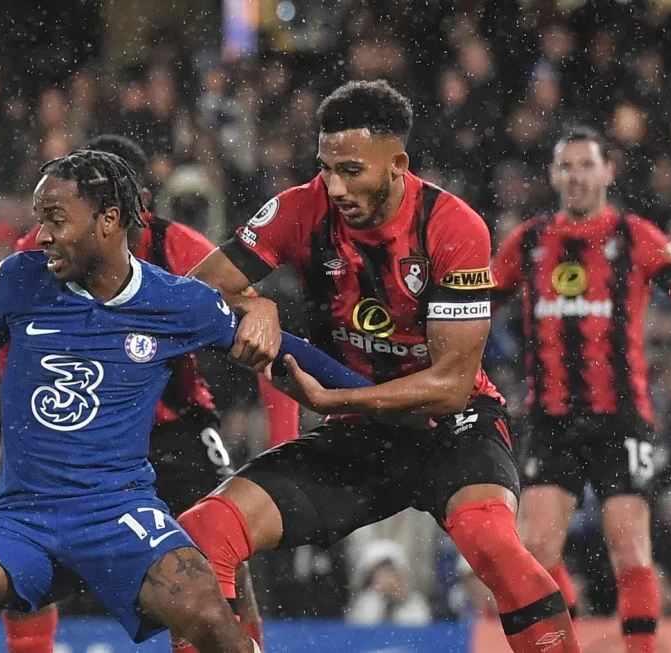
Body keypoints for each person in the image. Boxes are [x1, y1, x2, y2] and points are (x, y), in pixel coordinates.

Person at [0, 149, 365, 653]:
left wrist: (371, 399)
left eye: (56, 219)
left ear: (109, 221)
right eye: (39, 218)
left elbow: (283, 350)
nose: (40, 236)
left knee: (210, 619)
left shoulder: (175, 300)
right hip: (23, 518)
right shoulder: (20, 280)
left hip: (119, 516)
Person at [174, 80, 582, 653]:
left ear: (397, 165)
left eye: (350, 171)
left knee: (493, 544)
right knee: (202, 534)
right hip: (358, 435)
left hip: (452, 428)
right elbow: (191, 297)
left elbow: (448, 388)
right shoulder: (298, 208)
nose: (334, 186)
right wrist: (254, 304)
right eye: (324, 169)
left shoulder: (454, 226)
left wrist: (332, 402)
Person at [0, 134, 286, 652]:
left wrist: (283, 445)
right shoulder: (38, 255)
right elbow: (4, 347)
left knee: (221, 556)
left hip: (176, 429)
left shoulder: (182, 248)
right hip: (81, 435)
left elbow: (265, 340)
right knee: (28, 550)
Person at [492, 126, 671, 653]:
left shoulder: (636, 236)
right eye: (566, 166)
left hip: (621, 415)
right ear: (552, 176)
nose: (576, 176)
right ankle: (567, 642)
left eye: (586, 165)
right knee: (535, 552)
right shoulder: (527, 241)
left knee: (630, 552)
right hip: (550, 416)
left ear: (608, 172)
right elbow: (477, 307)